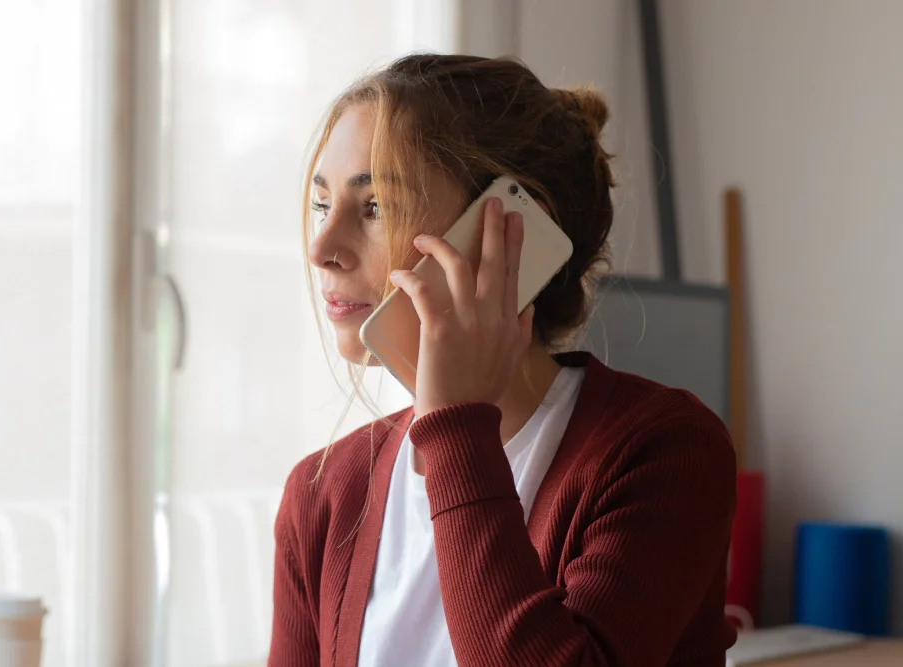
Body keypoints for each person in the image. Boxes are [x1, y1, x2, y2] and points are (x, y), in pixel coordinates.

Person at [269, 54, 736, 667]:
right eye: (323, 204)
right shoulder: (323, 492)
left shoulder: (664, 451)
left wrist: (458, 425)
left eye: (376, 206)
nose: (321, 248)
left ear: (509, 231)